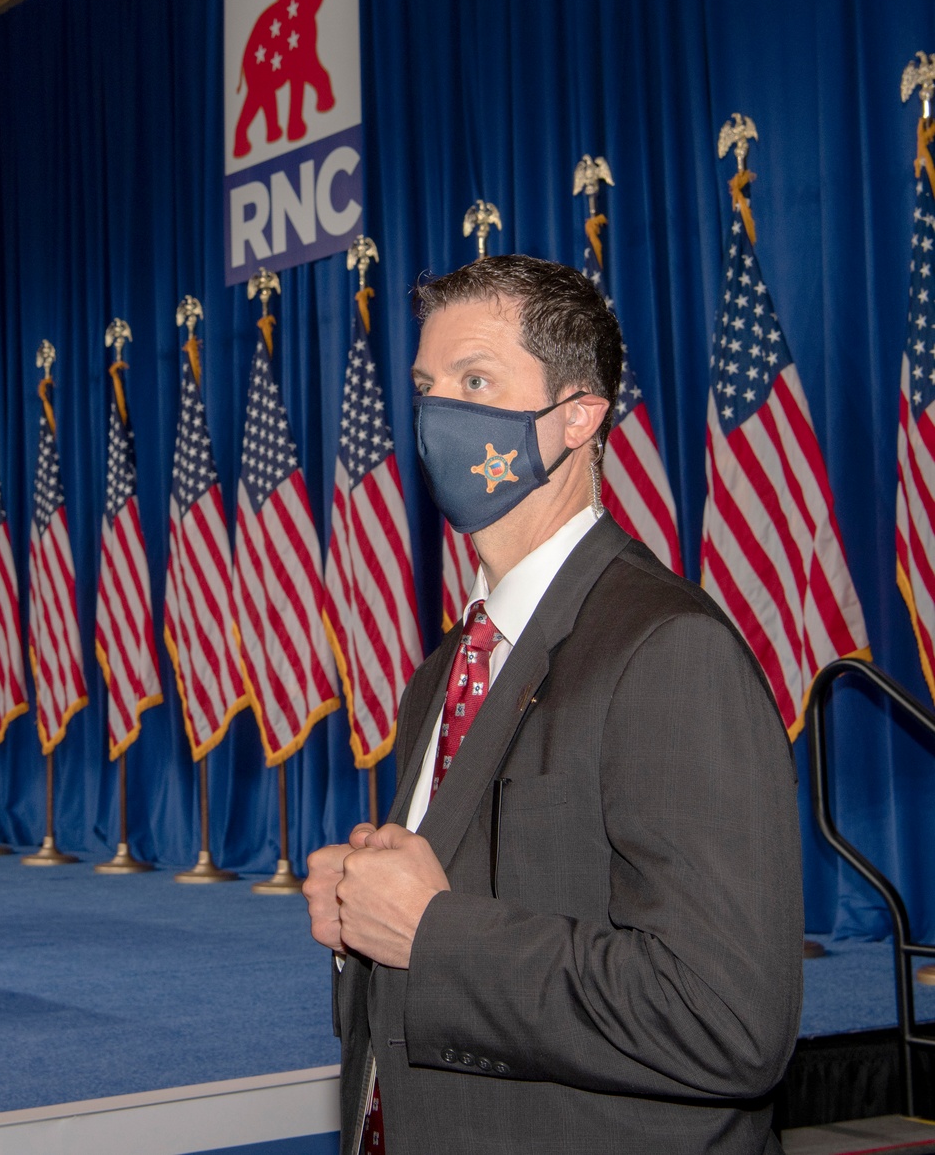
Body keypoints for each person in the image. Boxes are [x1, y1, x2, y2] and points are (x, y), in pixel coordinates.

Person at [303, 254, 803, 1154]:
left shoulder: (667, 649)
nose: (437, 414)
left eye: (476, 380)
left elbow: (729, 1023)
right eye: (426, 385)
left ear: (578, 416)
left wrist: (431, 931)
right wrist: (362, 919)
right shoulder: (448, 665)